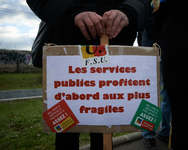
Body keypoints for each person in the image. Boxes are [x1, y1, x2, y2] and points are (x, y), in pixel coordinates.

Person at [26, 0, 151, 149]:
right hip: (68, 52)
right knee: (66, 129)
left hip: (113, 51)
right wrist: (70, 13)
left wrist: (129, 12)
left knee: (105, 122)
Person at [153, 0, 188, 149]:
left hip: (176, 53)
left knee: (180, 118)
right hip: (178, 53)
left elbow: (156, 17)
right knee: (180, 117)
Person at [141, 14, 171, 150]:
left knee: (170, 89)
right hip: (152, 37)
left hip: (171, 36)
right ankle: (148, 135)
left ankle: (165, 131)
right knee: (150, 90)